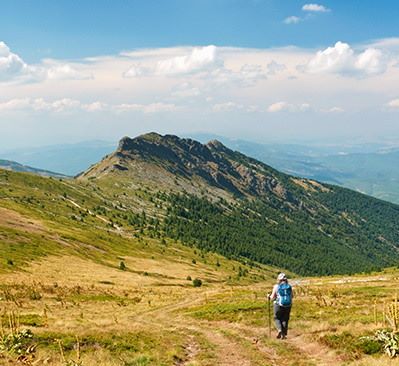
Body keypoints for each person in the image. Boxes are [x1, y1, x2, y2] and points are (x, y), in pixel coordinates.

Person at [268, 273, 293, 339]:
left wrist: (269, 296)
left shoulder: (276, 286)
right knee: (285, 319)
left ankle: (279, 330)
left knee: (277, 318)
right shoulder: (289, 286)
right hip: (288, 305)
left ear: (279, 279)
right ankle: (284, 334)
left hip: (278, 305)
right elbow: (292, 296)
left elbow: (272, 297)